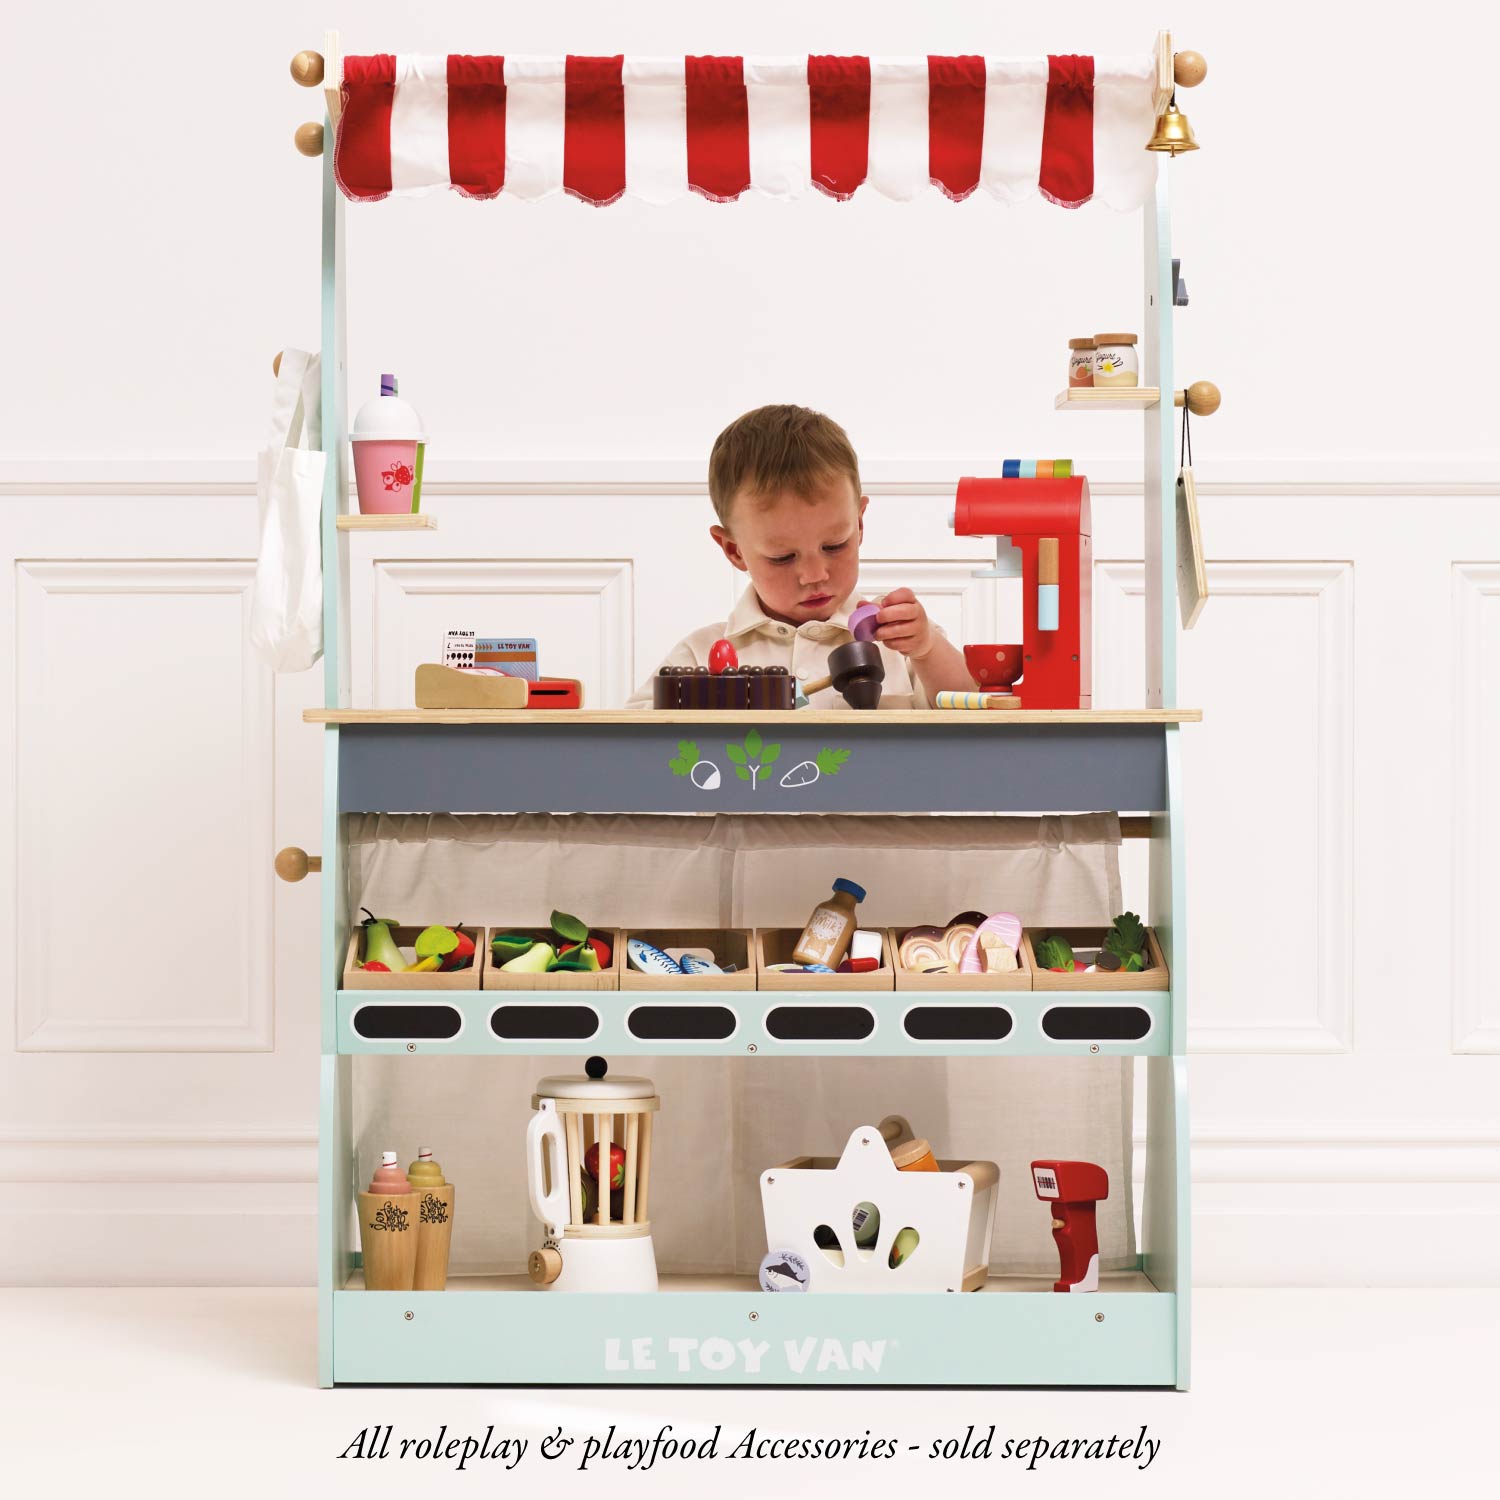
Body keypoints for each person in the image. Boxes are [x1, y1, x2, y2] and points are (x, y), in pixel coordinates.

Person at [624, 405, 977, 709]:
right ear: (734, 550)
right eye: (782, 557)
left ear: (858, 524)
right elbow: (633, 743)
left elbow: (980, 723)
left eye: (835, 545)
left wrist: (928, 649)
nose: (814, 574)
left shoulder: (903, 643)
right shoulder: (699, 655)